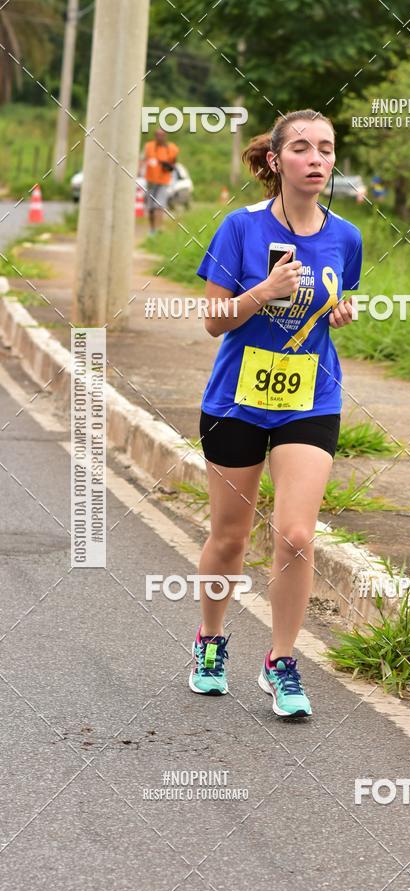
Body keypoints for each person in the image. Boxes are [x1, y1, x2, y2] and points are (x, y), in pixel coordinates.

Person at [190, 108, 363, 718]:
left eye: (326, 148)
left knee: (295, 534)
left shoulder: (346, 237)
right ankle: (210, 644)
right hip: (236, 399)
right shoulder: (238, 230)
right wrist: (261, 292)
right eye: (302, 149)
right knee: (230, 537)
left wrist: (338, 314)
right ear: (275, 160)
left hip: (309, 399)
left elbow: (335, 303)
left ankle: (281, 662)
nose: (317, 159)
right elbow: (214, 321)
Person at [142, 128, 178, 234]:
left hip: (164, 181)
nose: (160, 137)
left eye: (162, 135)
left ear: (165, 136)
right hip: (151, 181)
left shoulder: (171, 149)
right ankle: (152, 229)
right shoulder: (148, 147)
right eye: (158, 135)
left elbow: (174, 163)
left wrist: (168, 166)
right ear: (155, 136)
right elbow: (142, 160)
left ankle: (158, 229)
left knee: (159, 205)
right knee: (150, 207)